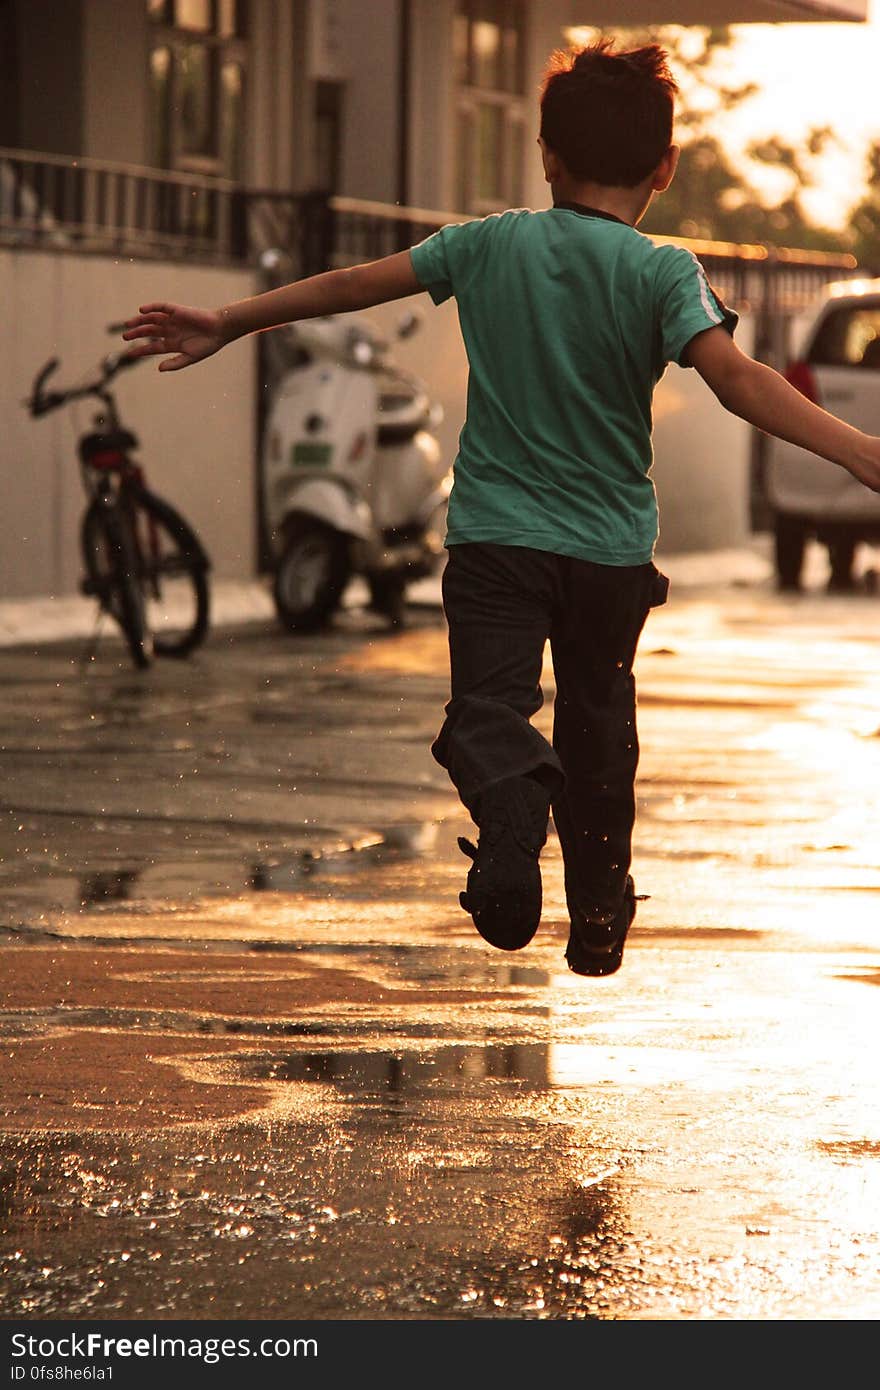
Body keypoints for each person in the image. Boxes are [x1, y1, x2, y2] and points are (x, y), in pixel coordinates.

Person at [121, 38, 880, 979]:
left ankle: (513, 814)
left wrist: (231, 319)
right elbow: (737, 380)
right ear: (665, 168)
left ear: (547, 154)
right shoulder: (661, 272)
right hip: (606, 555)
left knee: (489, 710)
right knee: (599, 728)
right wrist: (858, 451)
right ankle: (599, 907)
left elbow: (355, 286)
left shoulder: (487, 244)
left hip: (494, 544)